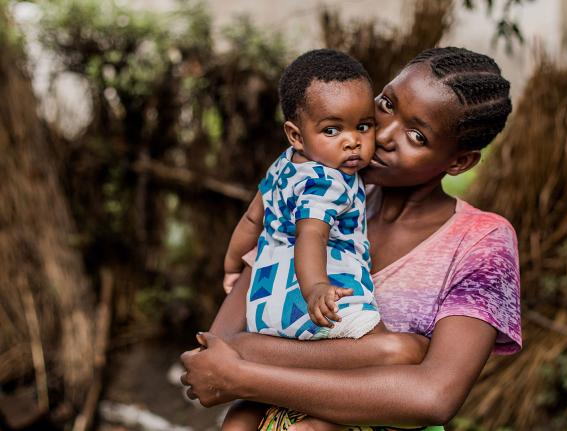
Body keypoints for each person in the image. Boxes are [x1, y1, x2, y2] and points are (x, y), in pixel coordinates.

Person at [180, 47, 522, 431]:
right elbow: (222, 342)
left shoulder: (480, 241)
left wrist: (245, 376)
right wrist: (387, 354)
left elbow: (431, 397)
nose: (384, 135)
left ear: (459, 162)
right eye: (386, 104)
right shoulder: (313, 187)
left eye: (416, 135)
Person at [222, 49, 388, 431]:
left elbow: (251, 219)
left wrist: (231, 266)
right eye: (332, 130)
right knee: (390, 357)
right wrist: (316, 289)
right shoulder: (329, 181)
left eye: (363, 126)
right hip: (316, 302)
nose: (352, 142)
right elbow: (311, 233)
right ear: (296, 134)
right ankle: (319, 423)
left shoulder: (282, 167)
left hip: (265, 308)